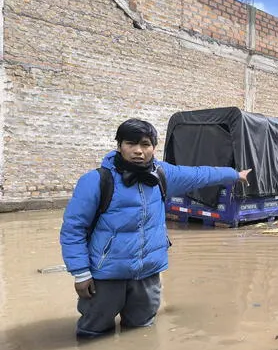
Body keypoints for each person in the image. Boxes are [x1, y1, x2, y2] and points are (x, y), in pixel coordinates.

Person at [60, 119, 251, 338]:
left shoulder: (163, 175)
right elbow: (73, 229)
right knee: (93, 333)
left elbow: (200, 174)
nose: (138, 151)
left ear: (153, 148)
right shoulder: (96, 180)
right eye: (130, 144)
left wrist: (234, 175)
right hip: (105, 276)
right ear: (119, 145)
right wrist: (81, 273)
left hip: (147, 274)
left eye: (145, 144)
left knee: (141, 333)